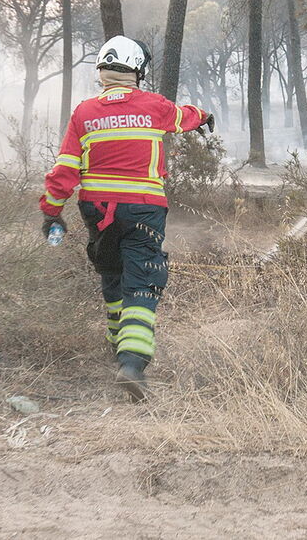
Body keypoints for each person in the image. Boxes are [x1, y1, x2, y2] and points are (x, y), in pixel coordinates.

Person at [39, 35, 213, 402]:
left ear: (102, 71)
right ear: (138, 71)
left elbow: (65, 169)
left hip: (98, 211)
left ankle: (115, 342)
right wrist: (205, 116)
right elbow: (184, 118)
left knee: (112, 271)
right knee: (143, 279)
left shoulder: (84, 113)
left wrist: (51, 212)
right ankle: (132, 363)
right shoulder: (154, 105)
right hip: (143, 209)